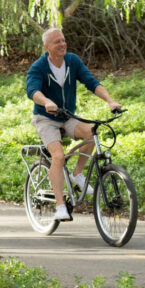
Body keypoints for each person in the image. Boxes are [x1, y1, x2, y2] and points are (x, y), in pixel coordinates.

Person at [26, 28, 122, 221]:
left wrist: (110, 101)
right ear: (47, 47)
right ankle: (61, 206)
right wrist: (46, 102)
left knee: (91, 133)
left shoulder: (72, 61)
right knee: (58, 156)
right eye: (57, 42)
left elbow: (91, 82)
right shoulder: (39, 67)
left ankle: (77, 174)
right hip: (46, 118)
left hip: (67, 116)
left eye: (63, 40)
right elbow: (32, 90)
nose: (62, 44)